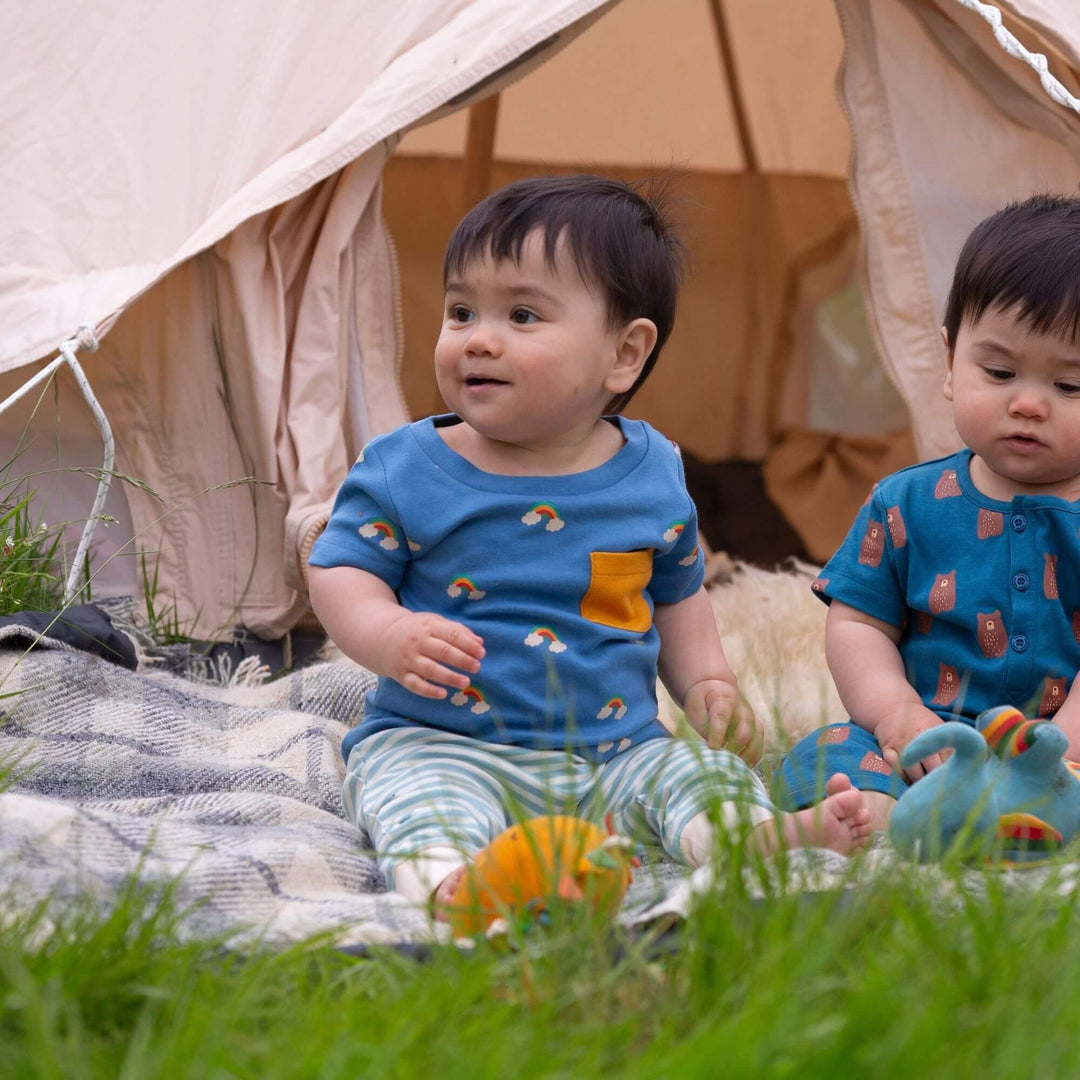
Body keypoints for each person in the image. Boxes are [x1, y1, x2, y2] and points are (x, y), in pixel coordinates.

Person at [308, 174, 871, 909]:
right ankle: (457, 881)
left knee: (693, 774)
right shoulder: (405, 466)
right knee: (415, 797)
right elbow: (341, 568)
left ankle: (747, 838)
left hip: (614, 754)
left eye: (521, 314)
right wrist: (387, 634)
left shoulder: (652, 473)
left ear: (624, 354)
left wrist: (707, 683)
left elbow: (676, 592)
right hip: (442, 740)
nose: (478, 337)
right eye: (460, 310)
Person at [778, 193, 1080, 832]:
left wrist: (1060, 752)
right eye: (999, 372)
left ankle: (1026, 815)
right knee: (828, 746)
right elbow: (859, 625)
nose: (1028, 404)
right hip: (929, 739)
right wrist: (896, 715)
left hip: (1060, 749)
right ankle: (871, 818)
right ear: (949, 363)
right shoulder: (904, 504)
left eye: (1069, 385)